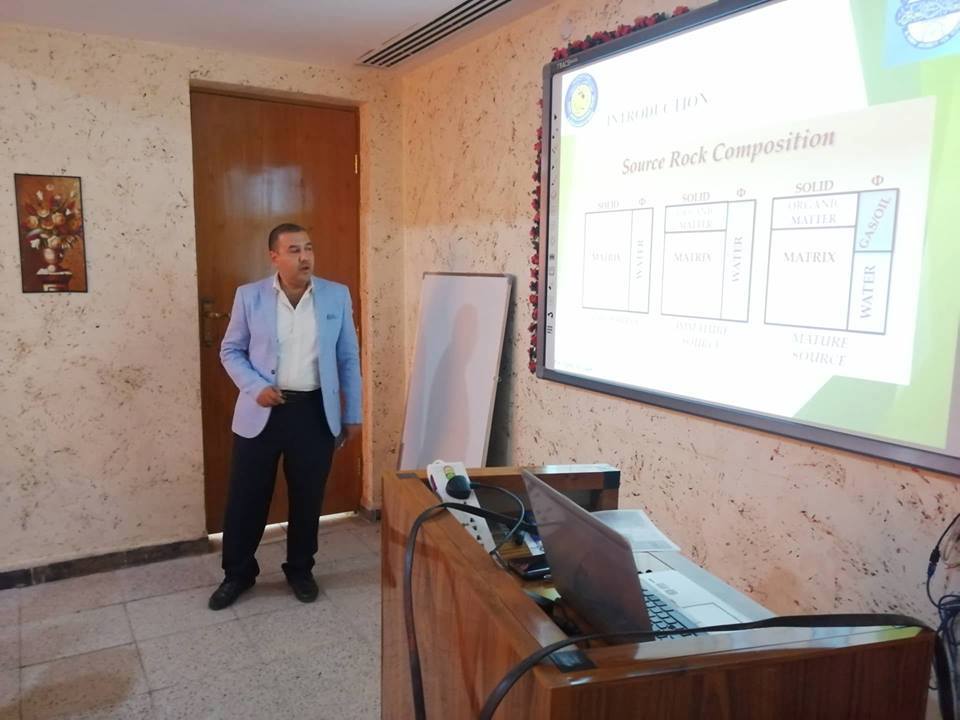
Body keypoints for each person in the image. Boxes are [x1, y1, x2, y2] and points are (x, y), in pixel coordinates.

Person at [208, 222, 361, 610]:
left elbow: (347, 358)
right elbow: (230, 351)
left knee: (308, 497)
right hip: (262, 410)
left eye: (309, 248)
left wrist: (352, 413)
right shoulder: (250, 296)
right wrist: (254, 386)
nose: (305, 257)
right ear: (274, 256)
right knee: (247, 497)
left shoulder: (336, 295)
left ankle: (300, 569)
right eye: (294, 250)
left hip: (314, 411)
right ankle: (238, 573)